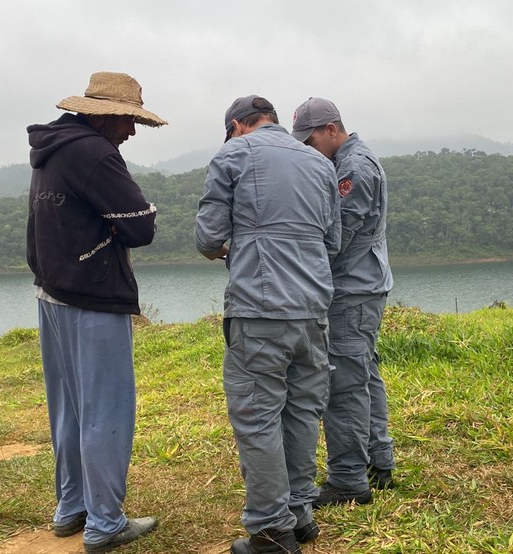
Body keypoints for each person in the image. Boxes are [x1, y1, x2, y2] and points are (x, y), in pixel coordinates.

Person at [25, 71, 166, 554]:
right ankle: (105, 523)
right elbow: (141, 227)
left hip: (52, 293)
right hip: (92, 297)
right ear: (103, 116)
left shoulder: (51, 148)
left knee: (68, 410)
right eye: (127, 120)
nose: (130, 131)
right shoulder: (95, 154)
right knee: (106, 412)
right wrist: (145, 209)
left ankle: (71, 509)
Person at [195, 95, 341, 554]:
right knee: (301, 410)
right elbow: (333, 240)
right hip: (314, 307)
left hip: (260, 307)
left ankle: (270, 531)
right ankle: (299, 514)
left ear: (238, 126)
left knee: (258, 416)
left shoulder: (234, 153)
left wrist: (233, 247)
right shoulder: (320, 164)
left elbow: (208, 237)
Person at [291, 97, 396, 508]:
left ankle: (349, 477)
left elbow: (338, 238)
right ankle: (377, 460)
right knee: (364, 372)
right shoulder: (347, 161)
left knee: (344, 384)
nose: (307, 149)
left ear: (332, 130)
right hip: (362, 285)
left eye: (311, 140)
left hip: (353, 288)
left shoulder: (353, 168)